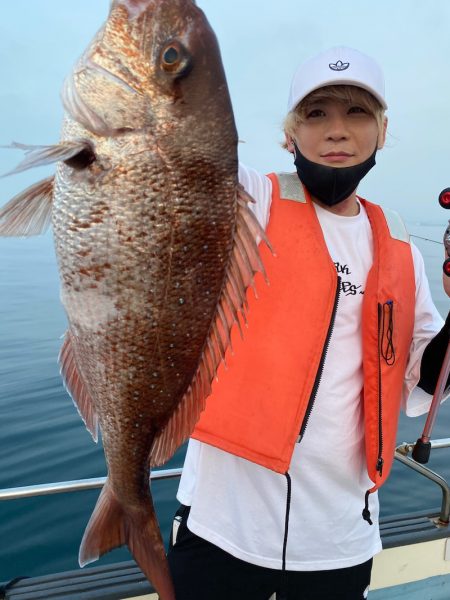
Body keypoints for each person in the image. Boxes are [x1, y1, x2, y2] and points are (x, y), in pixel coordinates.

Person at [167, 46, 449, 600]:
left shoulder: (398, 248)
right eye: (317, 113)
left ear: (383, 132)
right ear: (287, 133)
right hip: (224, 527)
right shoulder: (247, 200)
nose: (337, 131)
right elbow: (174, 153)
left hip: (341, 536)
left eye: (358, 113)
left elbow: (423, 375)